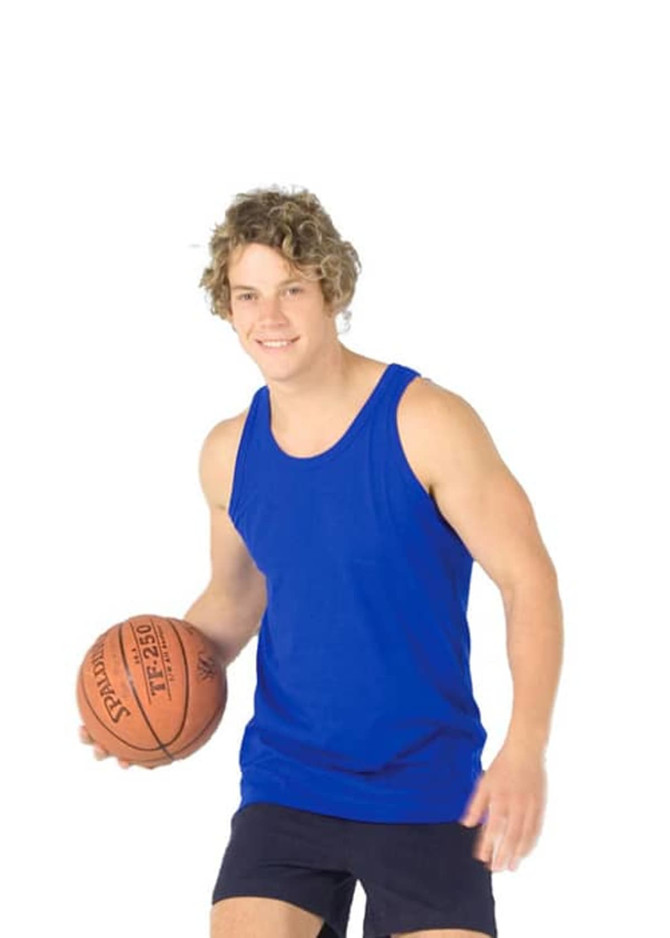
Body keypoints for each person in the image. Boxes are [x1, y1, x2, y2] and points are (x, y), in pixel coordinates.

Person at [80, 185, 563, 938]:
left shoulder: (427, 423)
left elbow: (526, 577)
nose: (268, 318)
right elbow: (236, 601)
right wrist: (145, 688)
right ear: (227, 306)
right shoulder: (228, 453)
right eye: (248, 295)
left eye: (291, 290)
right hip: (289, 783)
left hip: (427, 790)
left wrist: (525, 746)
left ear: (331, 289)